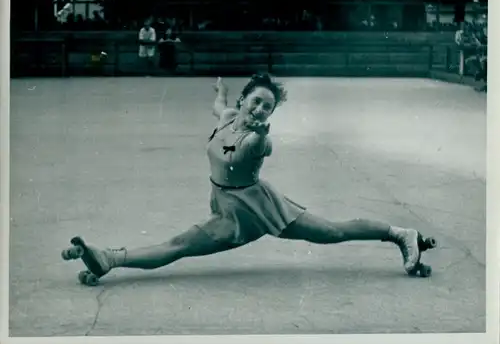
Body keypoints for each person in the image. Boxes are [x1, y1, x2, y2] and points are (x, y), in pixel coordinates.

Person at [64, 73, 433, 280]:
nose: (259, 109)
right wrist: (220, 92)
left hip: (253, 206)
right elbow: (218, 109)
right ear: (243, 101)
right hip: (225, 202)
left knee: (331, 233)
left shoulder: (257, 140)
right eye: (255, 101)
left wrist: (259, 134)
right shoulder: (227, 117)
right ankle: (108, 258)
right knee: (178, 245)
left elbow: (248, 150)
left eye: (267, 107)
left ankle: (399, 234)